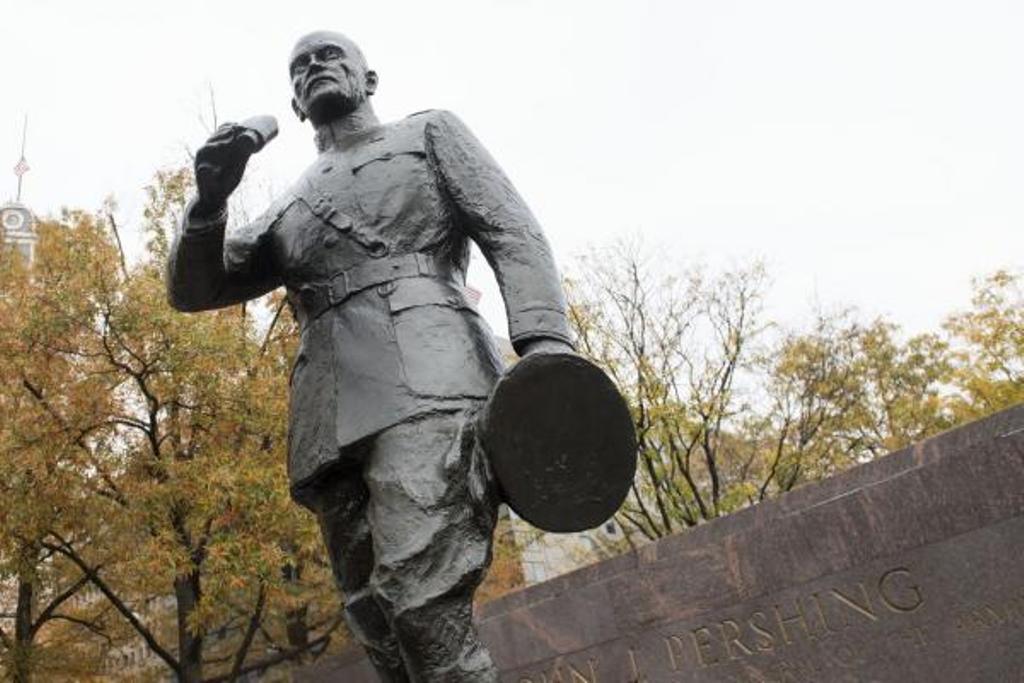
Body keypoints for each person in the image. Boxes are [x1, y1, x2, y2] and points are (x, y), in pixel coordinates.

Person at [167, 31, 573, 682]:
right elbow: (195, 289)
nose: (314, 67)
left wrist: (545, 345)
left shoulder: (429, 135)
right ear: (295, 105)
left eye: (330, 57)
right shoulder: (291, 205)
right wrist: (209, 202)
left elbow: (512, 230)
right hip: (330, 413)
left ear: (369, 79)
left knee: (421, 594)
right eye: (299, 67)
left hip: (433, 380)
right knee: (372, 613)